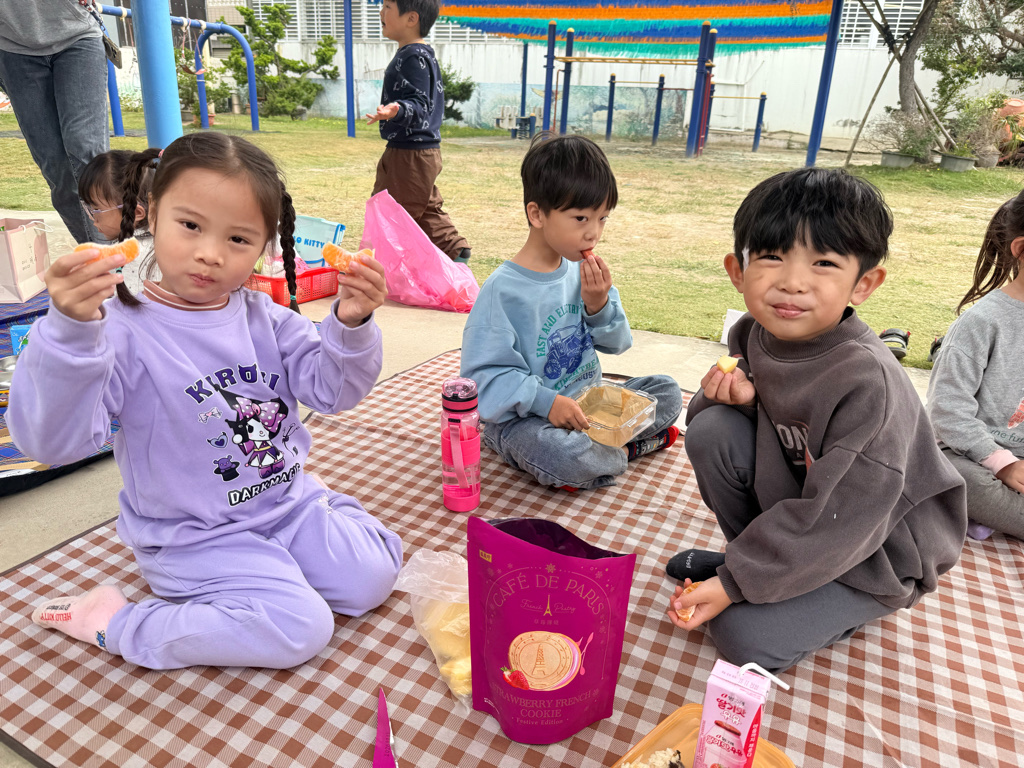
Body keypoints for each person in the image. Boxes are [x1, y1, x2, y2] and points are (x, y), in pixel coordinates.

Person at [8, 133, 403, 670]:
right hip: (193, 536)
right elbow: (52, 443)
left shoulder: (268, 319)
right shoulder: (117, 331)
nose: (210, 254)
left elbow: (333, 391)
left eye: (238, 238)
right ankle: (113, 620)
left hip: (285, 504)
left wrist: (352, 323)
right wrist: (69, 335)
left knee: (373, 578)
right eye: (190, 225)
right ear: (151, 215)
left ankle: (312, 522)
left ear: (264, 247)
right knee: (300, 626)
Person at [664, 168, 966, 673]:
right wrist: (738, 402)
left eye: (823, 262)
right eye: (771, 256)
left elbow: (847, 517)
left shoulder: (868, 384)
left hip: (876, 548)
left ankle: (791, 586)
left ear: (863, 284)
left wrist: (734, 587)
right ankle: (760, 564)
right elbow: (735, 430)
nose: (792, 282)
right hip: (813, 504)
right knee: (715, 430)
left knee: (742, 637)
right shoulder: (752, 335)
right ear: (738, 271)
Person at [460, 134, 682, 491]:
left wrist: (598, 304)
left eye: (602, 218)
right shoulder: (503, 291)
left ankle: (605, 453)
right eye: (581, 218)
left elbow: (619, 343)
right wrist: (547, 403)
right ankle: (621, 451)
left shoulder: (581, 270)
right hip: (529, 418)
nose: (594, 233)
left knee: (667, 391)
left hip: (591, 405)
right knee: (562, 455)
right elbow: (483, 378)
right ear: (537, 214)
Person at [926, 190, 1024, 541]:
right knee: (959, 479)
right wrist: (1003, 464)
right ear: (1020, 249)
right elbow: (947, 412)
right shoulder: (982, 322)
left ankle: (988, 515)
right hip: (967, 455)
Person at [365, 0, 470, 263]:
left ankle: (385, 270)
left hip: (409, 155)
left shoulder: (413, 56)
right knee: (426, 211)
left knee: (390, 215)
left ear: (411, 19)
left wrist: (397, 109)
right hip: (419, 152)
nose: (381, 12)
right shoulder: (418, 53)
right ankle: (456, 251)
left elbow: (420, 103)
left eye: (388, 7)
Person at [0, 0, 108, 243]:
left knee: (86, 150)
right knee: (55, 166)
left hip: (76, 35)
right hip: (13, 48)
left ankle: (108, 253)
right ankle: (95, 251)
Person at [78, 149, 159, 295]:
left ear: (135, 213)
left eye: (96, 210)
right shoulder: (164, 241)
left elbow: (119, 306)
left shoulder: (124, 259)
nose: (92, 218)